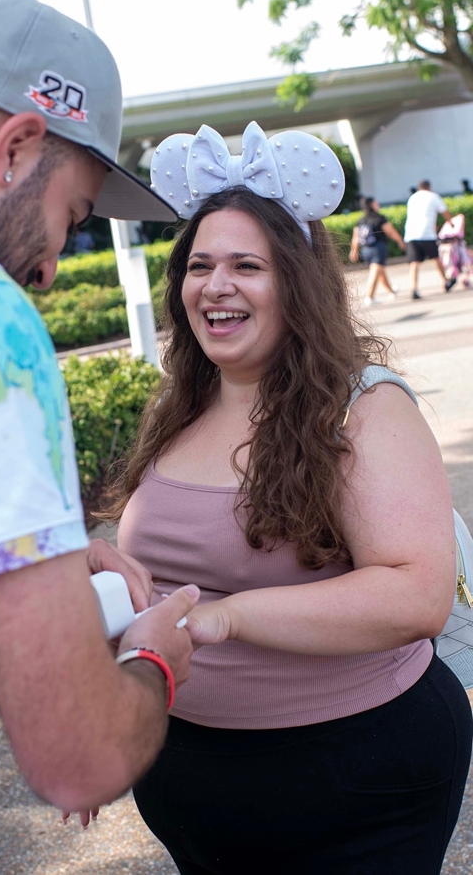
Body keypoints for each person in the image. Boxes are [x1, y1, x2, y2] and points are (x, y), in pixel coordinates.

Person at [0, 0, 197, 875]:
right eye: (74, 212)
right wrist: (155, 662)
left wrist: (30, 555)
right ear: (14, 149)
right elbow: (76, 755)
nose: (54, 265)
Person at [110, 123, 470, 873]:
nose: (216, 285)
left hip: (356, 779)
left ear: (297, 283)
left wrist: (225, 619)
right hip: (189, 776)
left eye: (249, 265)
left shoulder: (364, 408)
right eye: (200, 265)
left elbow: (417, 596)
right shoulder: (177, 405)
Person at [349, 196, 405, 305]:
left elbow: (356, 236)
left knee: (380, 272)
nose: (377, 204)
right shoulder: (379, 218)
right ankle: (369, 297)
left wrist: (354, 250)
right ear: (372, 205)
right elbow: (390, 231)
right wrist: (400, 241)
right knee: (375, 272)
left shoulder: (361, 220)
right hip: (378, 248)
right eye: (375, 203)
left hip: (366, 250)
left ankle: (391, 291)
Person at [404, 179, 454, 299]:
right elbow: (444, 212)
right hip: (427, 233)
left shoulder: (412, 198)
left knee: (414, 262)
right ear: (429, 187)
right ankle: (446, 281)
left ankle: (414, 288)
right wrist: (451, 223)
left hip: (411, 233)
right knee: (436, 258)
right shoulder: (433, 196)